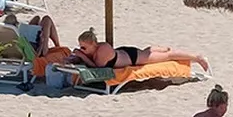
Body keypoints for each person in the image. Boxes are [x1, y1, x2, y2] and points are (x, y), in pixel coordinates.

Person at [67, 28, 210, 72]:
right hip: (124, 53)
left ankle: (197, 57)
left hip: (132, 57)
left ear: (93, 44)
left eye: (84, 47)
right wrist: (78, 56)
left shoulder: (103, 49)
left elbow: (98, 68)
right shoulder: (94, 50)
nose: (82, 49)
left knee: (168, 56)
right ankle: (157, 48)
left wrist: (82, 56)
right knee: (147, 52)